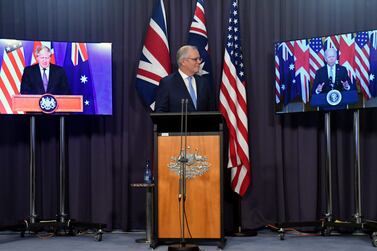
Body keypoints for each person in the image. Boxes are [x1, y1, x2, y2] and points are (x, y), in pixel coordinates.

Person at [154, 45, 216, 112]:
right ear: (183, 62)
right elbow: (160, 112)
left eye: (199, 59)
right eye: (195, 59)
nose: (199, 62)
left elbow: (212, 111)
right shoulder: (167, 83)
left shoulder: (204, 83)